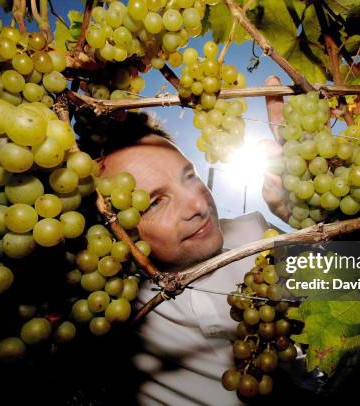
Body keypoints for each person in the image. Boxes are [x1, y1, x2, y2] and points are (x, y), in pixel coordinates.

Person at [98, 76, 293, 405]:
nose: (199, 204)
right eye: (155, 202)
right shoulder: (109, 308)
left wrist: (312, 215)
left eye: (190, 176)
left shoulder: (255, 237)